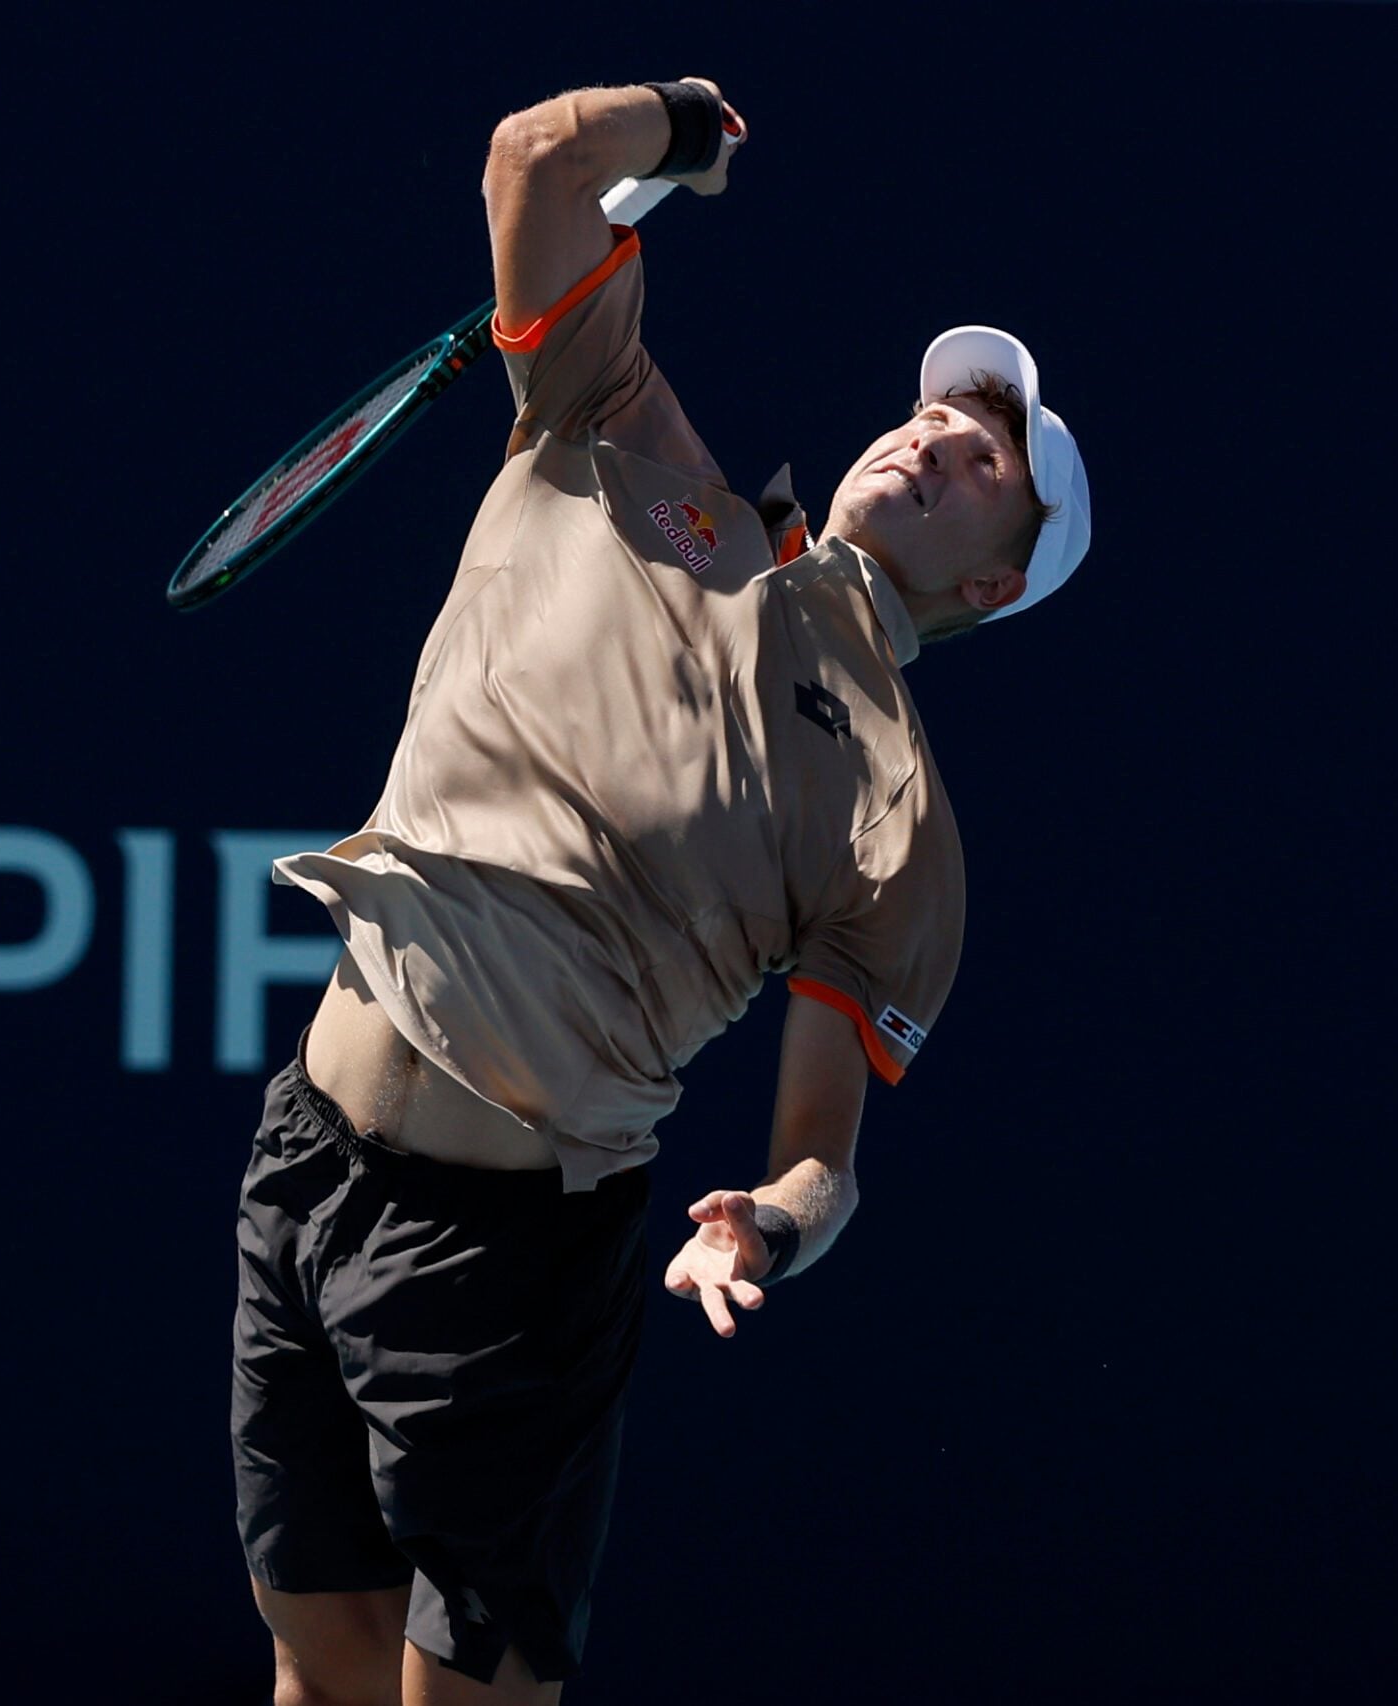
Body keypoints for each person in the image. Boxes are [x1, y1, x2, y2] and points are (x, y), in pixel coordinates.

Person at [229, 76, 1092, 1705]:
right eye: (934, 414)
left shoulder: (903, 820)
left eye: (987, 459)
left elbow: (822, 1153)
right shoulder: (617, 431)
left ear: (993, 582)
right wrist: (683, 125)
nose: (935, 437)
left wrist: (764, 1225)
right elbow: (534, 159)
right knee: (316, 1656)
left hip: (508, 1257)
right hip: (310, 1154)